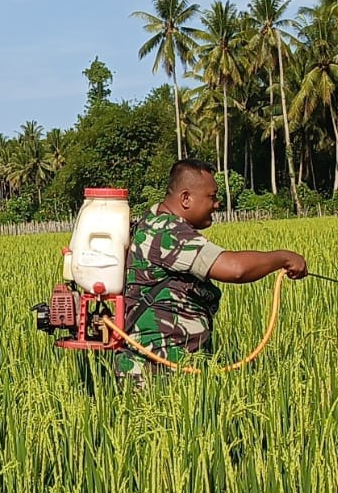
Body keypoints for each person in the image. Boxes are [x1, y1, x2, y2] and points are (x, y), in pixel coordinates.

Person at [116, 159, 307, 385]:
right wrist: (284, 258)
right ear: (186, 198)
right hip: (158, 371)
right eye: (212, 196)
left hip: (170, 366)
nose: (217, 204)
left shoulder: (150, 222)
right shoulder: (166, 232)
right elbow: (235, 269)